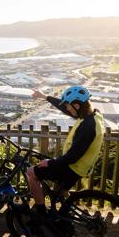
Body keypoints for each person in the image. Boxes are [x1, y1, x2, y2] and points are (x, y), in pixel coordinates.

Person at [27, 85, 104, 215]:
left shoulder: (87, 126)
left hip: (73, 167)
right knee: (61, 192)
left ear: (77, 106)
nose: (67, 108)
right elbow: (64, 108)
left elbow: (73, 156)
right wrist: (45, 96)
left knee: (31, 173)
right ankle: (66, 215)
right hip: (79, 166)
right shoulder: (91, 115)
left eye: (69, 105)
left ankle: (40, 211)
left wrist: (50, 162)